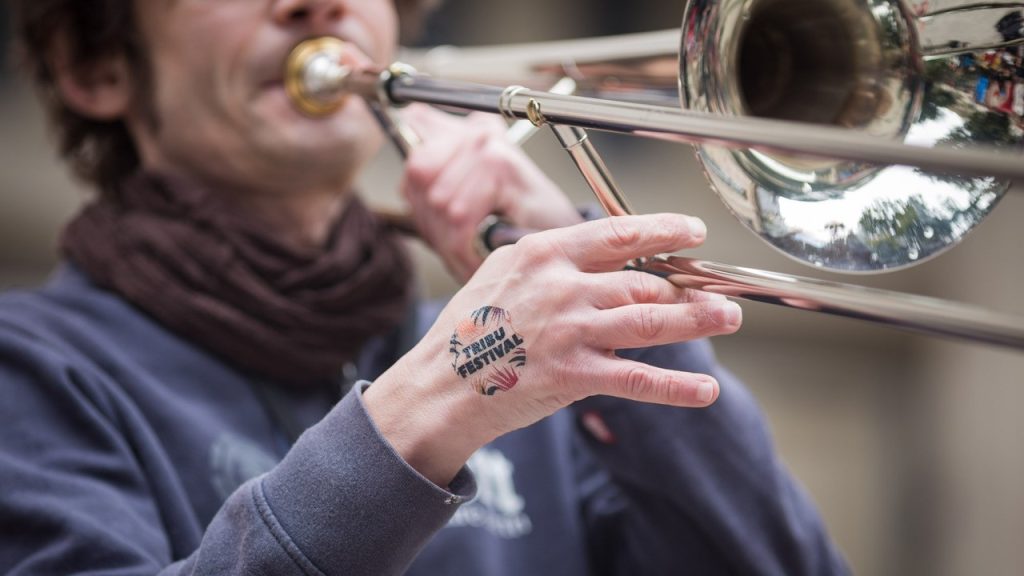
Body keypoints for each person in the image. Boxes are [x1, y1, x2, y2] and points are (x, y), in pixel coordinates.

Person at [1, 0, 849, 574]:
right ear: (95, 66)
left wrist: (611, 296)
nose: (316, 5)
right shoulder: (29, 369)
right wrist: (446, 393)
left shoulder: (538, 355)